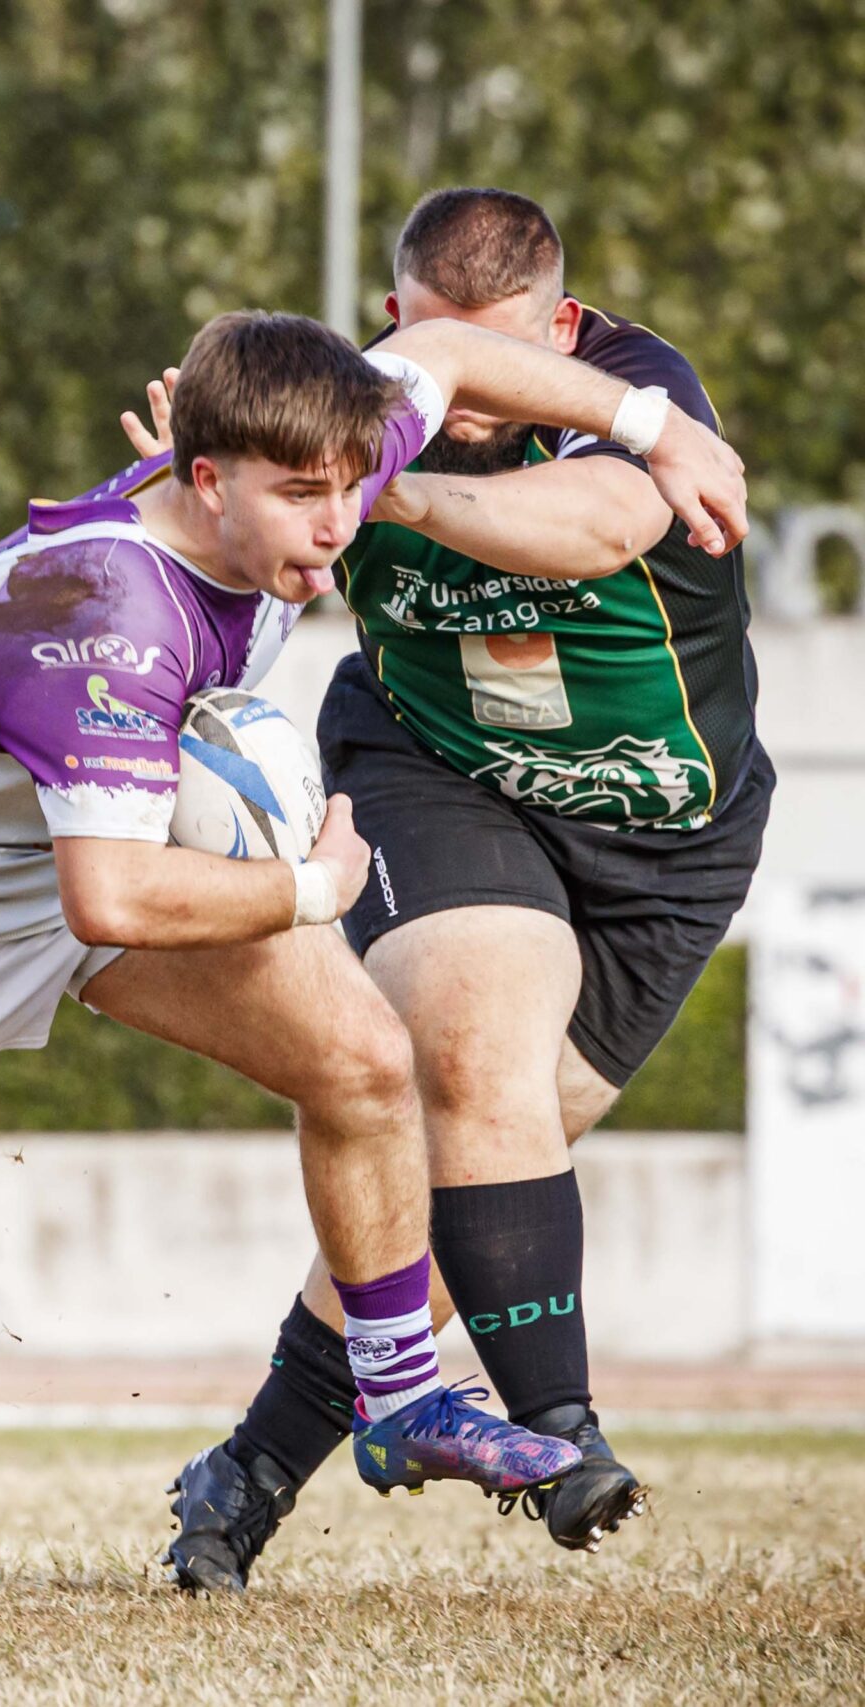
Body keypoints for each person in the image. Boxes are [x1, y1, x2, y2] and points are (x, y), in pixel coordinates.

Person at [0, 307, 748, 1617]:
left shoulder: (308, 467)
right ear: (204, 480)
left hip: (98, 837)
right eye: (302, 496)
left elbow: (461, 351)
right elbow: (115, 894)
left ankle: (403, 1388)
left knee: (366, 1061)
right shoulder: (115, 613)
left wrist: (658, 427)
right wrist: (314, 888)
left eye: (353, 488)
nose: (337, 524)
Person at [163, 188, 769, 1591]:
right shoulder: (328, 402)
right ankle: (558, 1429)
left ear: (561, 333)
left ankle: (244, 1470)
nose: (471, 390)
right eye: (442, 356)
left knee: (467, 1190)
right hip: (440, 774)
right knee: (471, 1051)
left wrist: (376, 483)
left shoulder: (637, 388)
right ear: (395, 328)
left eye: (501, 359)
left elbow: (598, 529)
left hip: (666, 839)